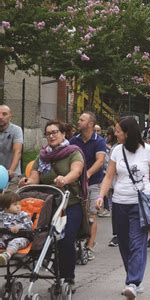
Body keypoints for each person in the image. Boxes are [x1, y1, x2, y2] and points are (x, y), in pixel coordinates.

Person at [96, 117, 150, 299]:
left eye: (118, 131)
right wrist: (101, 196)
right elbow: (109, 176)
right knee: (124, 243)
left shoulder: (148, 151)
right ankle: (133, 279)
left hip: (140, 204)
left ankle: (132, 282)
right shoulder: (117, 150)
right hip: (119, 203)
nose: (115, 134)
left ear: (128, 132)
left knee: (137, 243)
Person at [19, 120, 86, 288]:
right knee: (40, 236)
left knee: (65, 238)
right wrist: (26, 183)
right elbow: (35, 178)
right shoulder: (42, 156)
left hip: (69, 204)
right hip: (48, 205)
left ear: (63, 134)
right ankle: (48, 266)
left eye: (55, 132)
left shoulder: (73, 152)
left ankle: (67, 277)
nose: (51, 136)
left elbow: (76, 171)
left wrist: (65, 179)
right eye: (48, 133)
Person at [70, 111, 106, 260]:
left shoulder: (99, 141)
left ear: (90, 124)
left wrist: (88, 174)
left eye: (81, 119)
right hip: (76, 184)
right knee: (77, 214)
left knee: (91, 215)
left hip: (93, 183)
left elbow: (100, 160)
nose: (78, 122)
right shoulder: (74, 140)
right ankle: (76, 244)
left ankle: (90, 246)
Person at [0, 191, 33, 265]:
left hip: (21, 237)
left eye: (19, 204)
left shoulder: (22, 215)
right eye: (15, 205)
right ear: (5, 206)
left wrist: (19, 226)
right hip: (3, 238)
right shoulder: (1, 215)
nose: (18, 206)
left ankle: (6, 255)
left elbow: (29, 224)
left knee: (15, 242)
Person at [0, 105, 23, 180]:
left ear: (10, 116)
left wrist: (11, 170)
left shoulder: (16, 130)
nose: (0, 117)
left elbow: (17, 151)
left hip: (12, 175)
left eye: (4, 114)